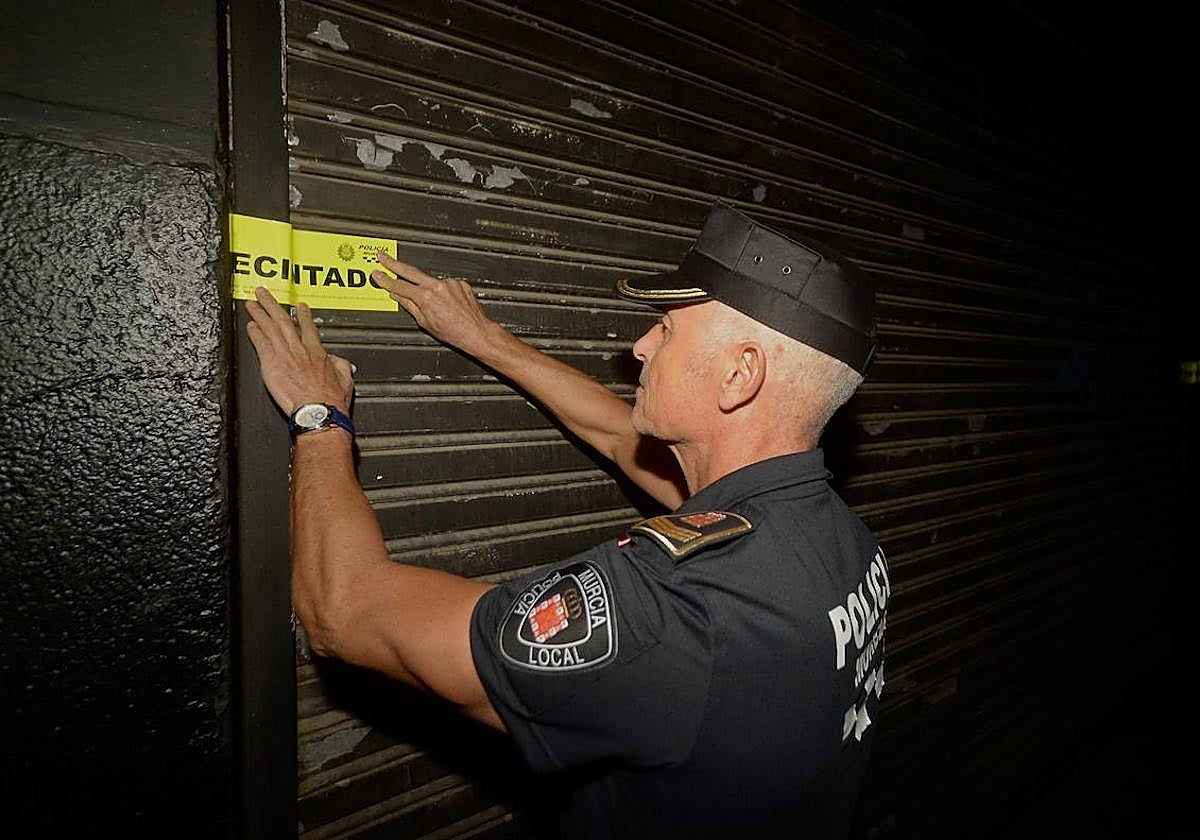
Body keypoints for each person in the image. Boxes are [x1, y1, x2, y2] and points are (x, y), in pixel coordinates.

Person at [245, 203, 889, 839]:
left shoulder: (673, 605)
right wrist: (484, 338)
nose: (640, 347)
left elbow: (342, 610)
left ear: (739, 374)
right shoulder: (839, 540)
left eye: (665, 328)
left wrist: (320, 416)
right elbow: (617, 436)